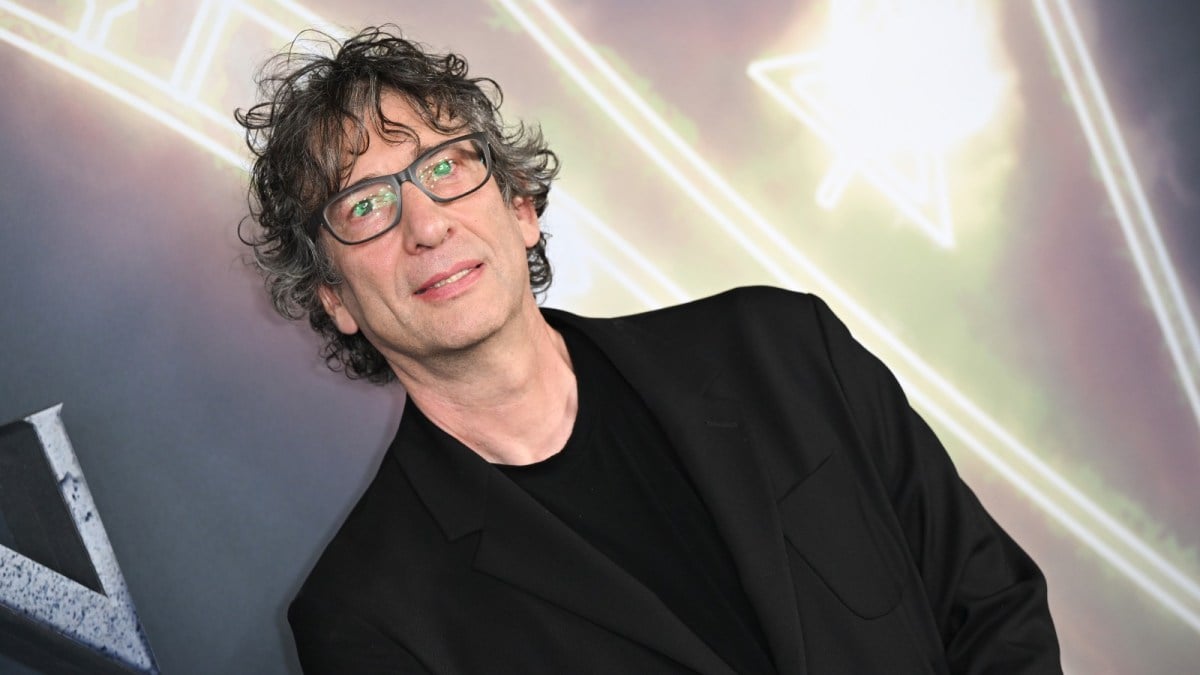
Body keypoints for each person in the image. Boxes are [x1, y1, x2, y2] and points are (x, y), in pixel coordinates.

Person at [237, 25, 1061, 675]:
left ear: (520, 204)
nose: (426, 225)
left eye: (446, 165)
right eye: (365, 205)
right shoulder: (365, 616)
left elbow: (992, 612)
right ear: (335, 298)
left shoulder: (784, 350)